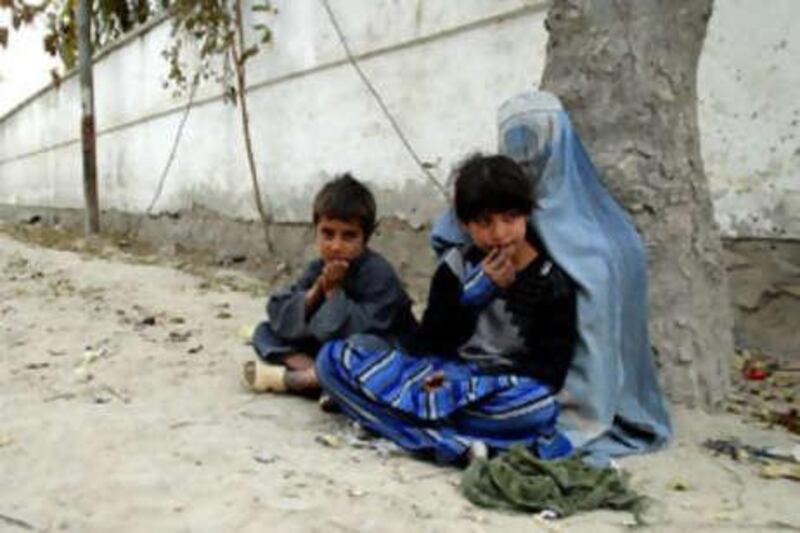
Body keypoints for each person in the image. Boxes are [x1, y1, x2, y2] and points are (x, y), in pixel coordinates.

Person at [431, 91, 672, 465]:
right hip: (463, 372)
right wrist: (473, 290)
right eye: (516, 144)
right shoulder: (483, 216)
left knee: (532, 407)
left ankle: (444, 426)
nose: (527, 157)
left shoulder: (598, 239)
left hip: (537, 389)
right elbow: (433, 331)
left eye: (537, 142)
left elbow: (564, 354)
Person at [315, 154, 576, 464]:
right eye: (484, 222)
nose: (500, 233)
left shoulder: (550, 281)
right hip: (438, 380)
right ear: (465, 224)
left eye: (510, 218)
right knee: (332, 359)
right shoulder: (455, 267)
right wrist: (474, 296)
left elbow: (550, 373)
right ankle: (447, 441)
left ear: (526, 216)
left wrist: (473, 383)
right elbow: (427, 344)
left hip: (496, 390)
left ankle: (403, 427)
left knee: (537, 408)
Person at [244, 174, 417, 397]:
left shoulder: (377, 273)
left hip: (377, 351)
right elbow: (280, 312)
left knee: (359, 347)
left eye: (348, 236)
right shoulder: (318, 268)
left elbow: (343, 331)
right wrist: (317, 291)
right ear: (316, 230)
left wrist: (334, 291)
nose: (336, 246)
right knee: (264, 332)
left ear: (366, 237)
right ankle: (321, 378)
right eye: (327, 234)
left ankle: (297, 381)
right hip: (328, 353)